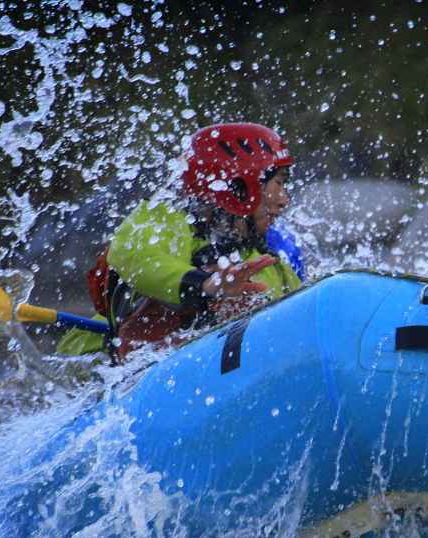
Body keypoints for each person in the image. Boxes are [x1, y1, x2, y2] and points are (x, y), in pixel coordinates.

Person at [57, 122, 305, 360]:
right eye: (279, 184)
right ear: (240, 186)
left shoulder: (269, 263)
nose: (284, 200)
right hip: (94, 371)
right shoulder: (169, 220)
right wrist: (206, 285)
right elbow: (136, 257)